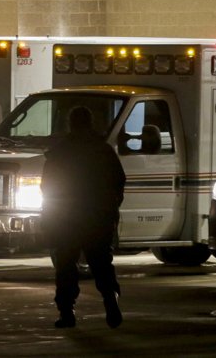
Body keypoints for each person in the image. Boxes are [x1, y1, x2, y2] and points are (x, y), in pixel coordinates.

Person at [41, 105, 126, 329]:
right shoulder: (103, 150)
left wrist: (52, 216)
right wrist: (111, 208)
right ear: (90, 123)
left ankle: (67, 313)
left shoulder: (59, 152)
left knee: (66, 265)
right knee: (101, 263)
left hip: (67, 219)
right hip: (98, 217)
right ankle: (110, 301)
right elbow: (119, 181)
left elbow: (47, 186)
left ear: (70, 124)